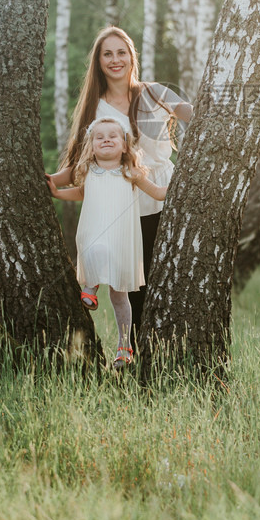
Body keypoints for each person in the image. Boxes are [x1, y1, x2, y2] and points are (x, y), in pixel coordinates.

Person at [47, 26, 192, 347]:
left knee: (169, 281)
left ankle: (171, 351)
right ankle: (139, 357)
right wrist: (51, 182)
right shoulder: (94, 108)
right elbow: (81, 163)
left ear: (131, 56)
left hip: (166, 195)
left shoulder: (153, 92)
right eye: (107, 54)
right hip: (124, 205)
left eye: (121, 52)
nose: (115, 60)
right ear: (99, 62)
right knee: (136, 286)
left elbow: (193, 114)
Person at [47, 117, 167, 368]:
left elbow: (157, 192)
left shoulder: (131, 172)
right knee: (92, 248)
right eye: (99, 137)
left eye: (113, 136)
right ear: (91, 146)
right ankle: (90, 288)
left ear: (124, 146)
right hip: (94, 232)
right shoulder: (88, 171)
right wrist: (57, 193)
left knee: (120, 295)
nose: (106, 140)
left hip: (122, 240)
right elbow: (81, 193)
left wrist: (183, 184)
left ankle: (124, 346)